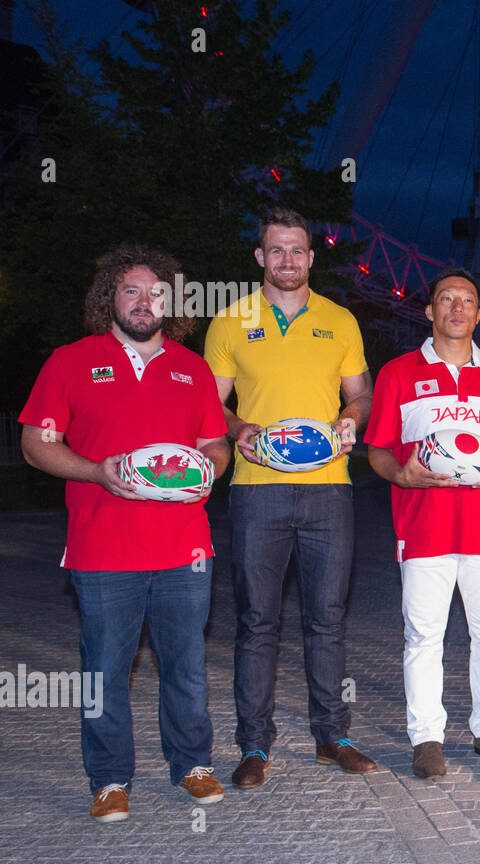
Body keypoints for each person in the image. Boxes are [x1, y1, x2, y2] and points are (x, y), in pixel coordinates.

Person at [20, 246, 231, 821]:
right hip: (102, 545)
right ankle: (110, 777)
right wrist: (96, 471)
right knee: (105, 669)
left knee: (184, 664)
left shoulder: (193, 369)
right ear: (108, 298)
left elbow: (215, 442)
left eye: (156, 292)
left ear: (172, 302)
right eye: (132, 291)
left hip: (185, 545)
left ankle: (192, 762)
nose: (145, 302)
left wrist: (212, 466)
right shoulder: (70, 361)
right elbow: (36, 445)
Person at [205, 208, 376, 789]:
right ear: (260, 258)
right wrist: (239, 430)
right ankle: (255, 743)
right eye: (276, 251)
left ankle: (332, 736)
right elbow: (211, 408)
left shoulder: (340, 321)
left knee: (326, 618)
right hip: (257, 490)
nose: (287, 261)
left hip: (329, 489)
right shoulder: (229, 322)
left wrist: (352, 419)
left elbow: (361, 395)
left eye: (297, 251)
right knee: (258, 621)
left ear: (311, 256)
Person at [365, 268, 480, 777]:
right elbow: (376, 451)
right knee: (423, 636)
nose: (456, 308)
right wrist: (404, 475)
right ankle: (427, 737)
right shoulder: (397, 373)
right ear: (430, 310)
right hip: (423, 528)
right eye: (445, 299)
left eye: (467, 301)